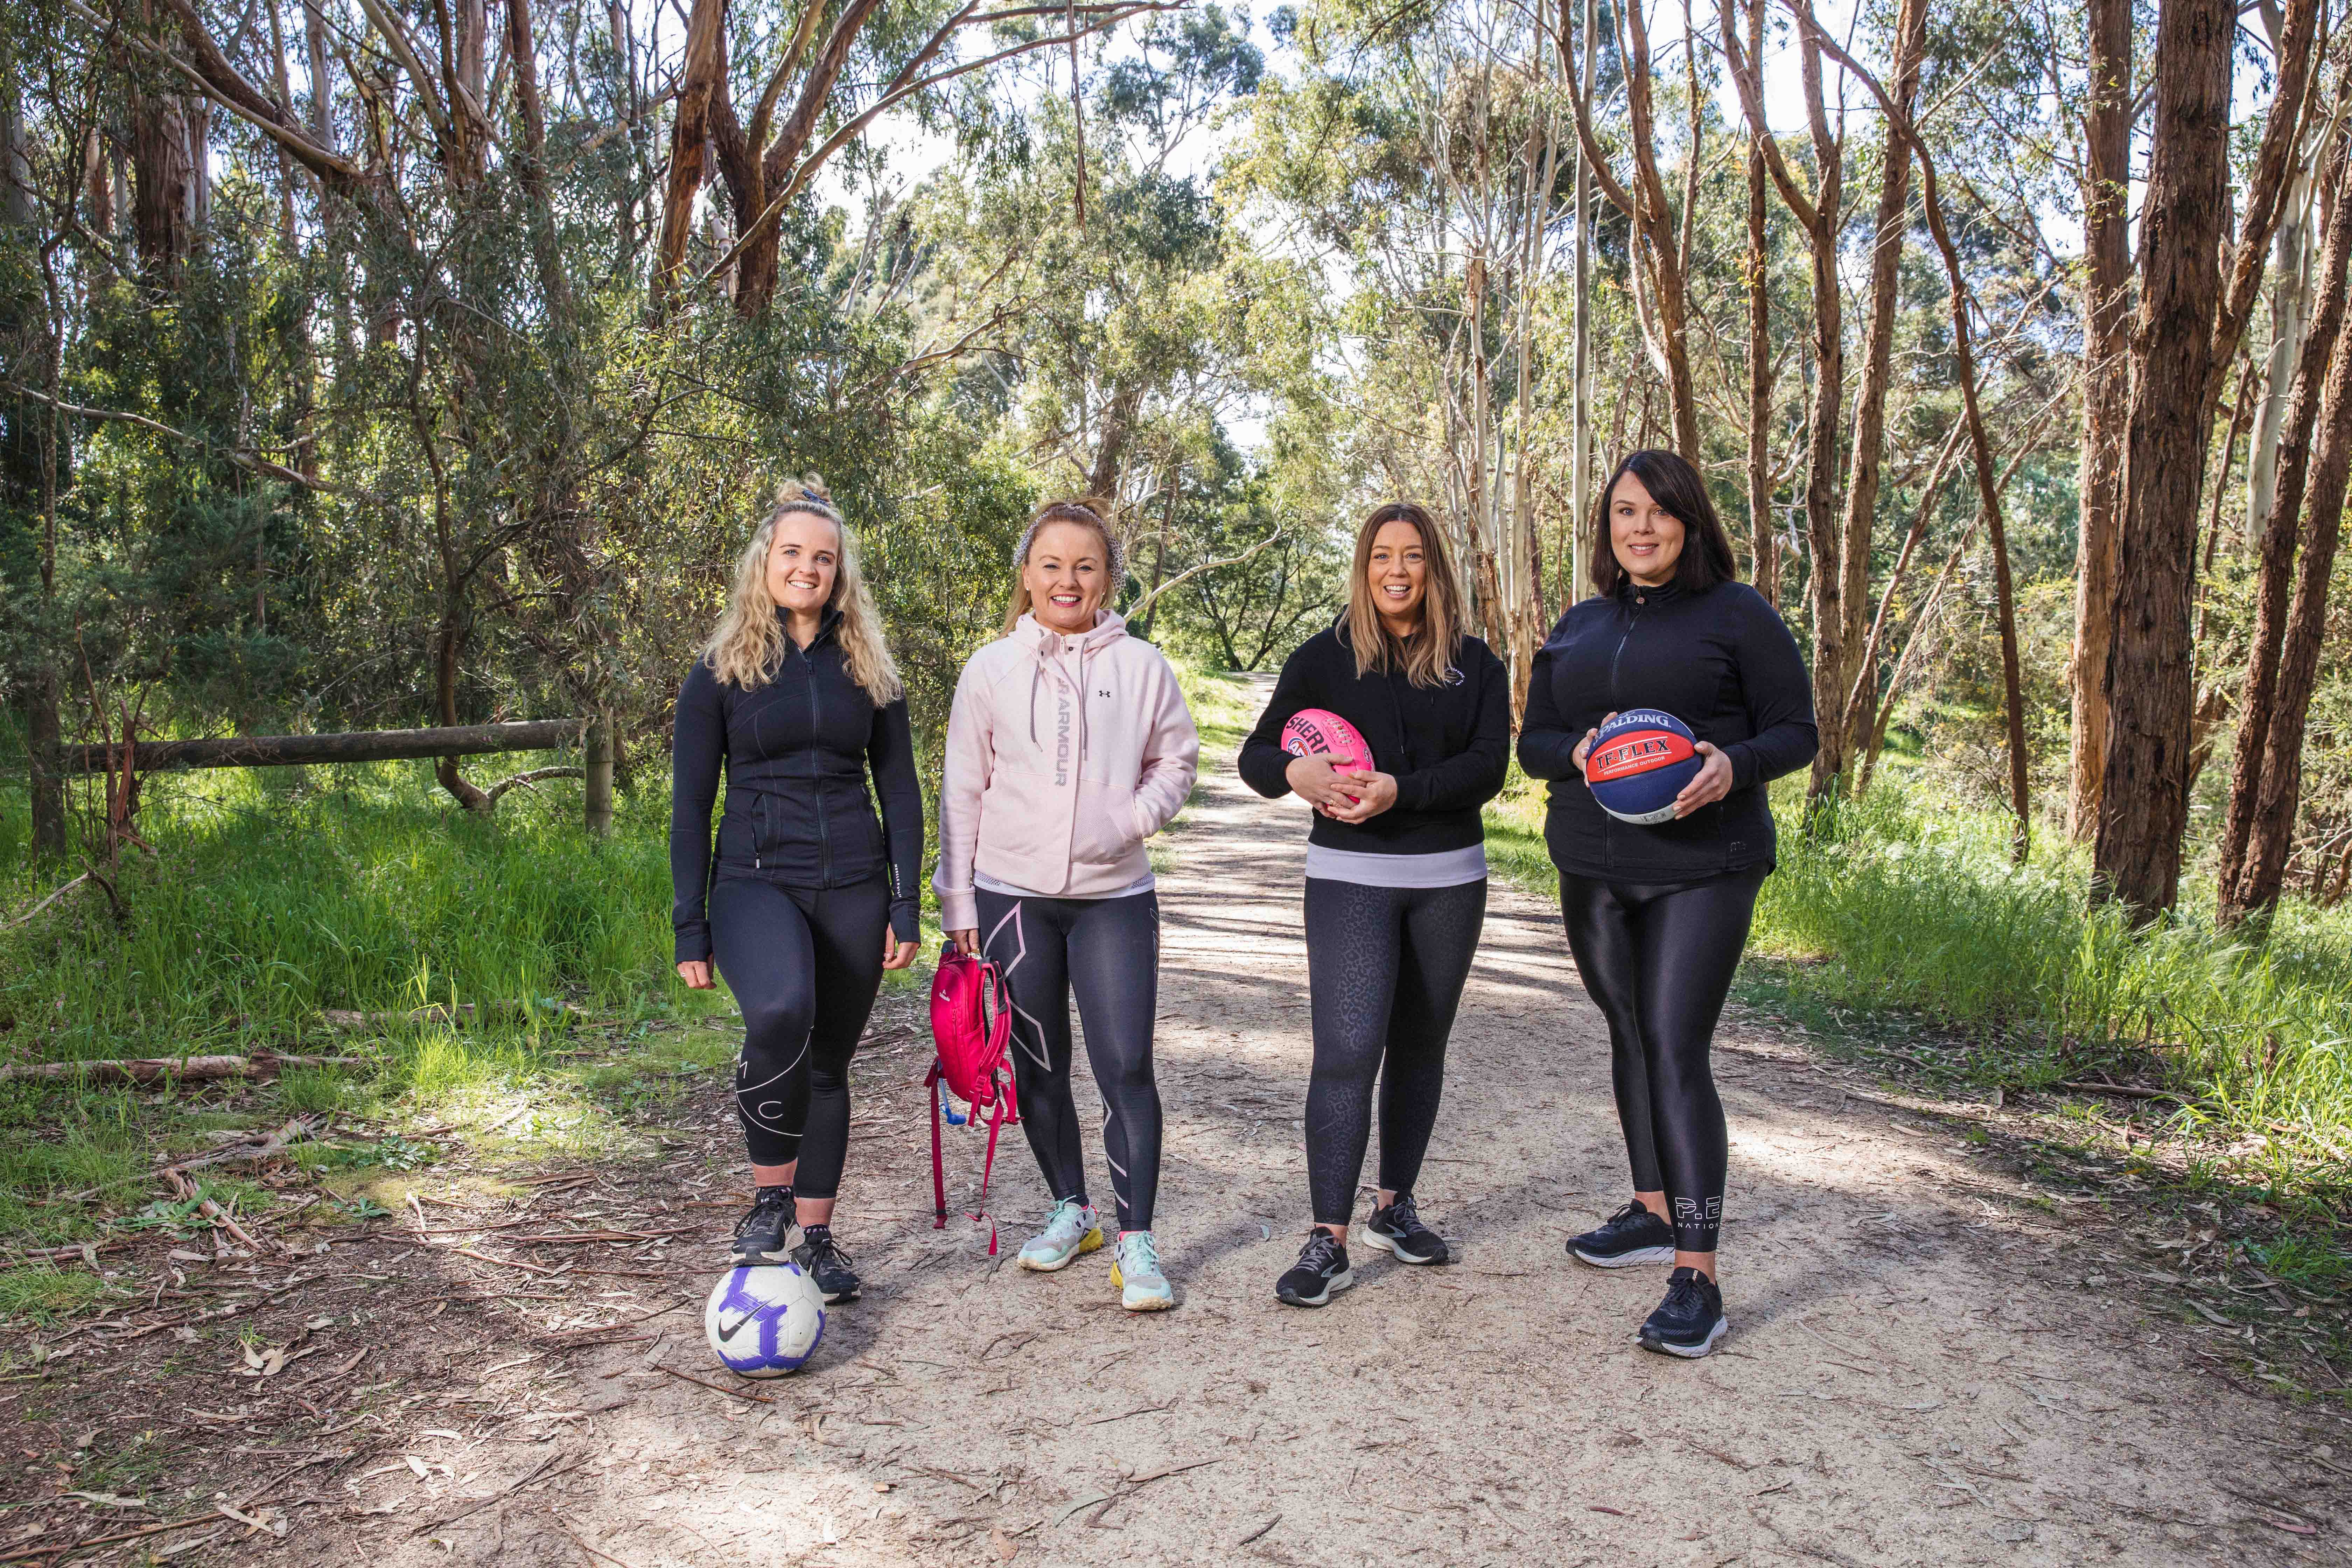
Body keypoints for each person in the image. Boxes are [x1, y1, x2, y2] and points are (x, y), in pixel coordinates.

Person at [1518, 448, 1816, 1357]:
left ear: (1690, 521)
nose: (1638, 527)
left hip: (1705, 862)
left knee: (1677, 1047)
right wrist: (1575, 753)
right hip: (1592, 863)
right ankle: (1649, 1210)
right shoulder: (1579, 623)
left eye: (1656, 512)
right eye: (1623, 513)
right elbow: (1533, 743)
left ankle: (1698, 1275)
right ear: (1607, 529)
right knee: (1630, 1034)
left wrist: (1736, 765)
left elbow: (1796, 730)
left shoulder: (1738, 614)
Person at [1238, 502, 1509, 1308]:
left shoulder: (1475, 663)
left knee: (1420, 1046)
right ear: (1363, 566)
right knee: (1349, 1050)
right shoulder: (1322, 659)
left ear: (1435, 568)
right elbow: (1258, 755)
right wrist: (1298, 774)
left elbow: (1489, 768)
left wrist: (1404, 790)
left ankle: (1396, 1205)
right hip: (1350, 877)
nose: (1398, 570)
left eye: (1414, 556)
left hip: (1449, 878)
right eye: (1383, 555)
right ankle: (1328, 1237)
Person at [934, 498, 1200, 1312]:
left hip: (1114, 896)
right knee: (1040, 1068)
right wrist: (957, 903)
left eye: (1085, 565)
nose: (1067, 579)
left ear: (1108, 578)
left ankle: (1136, 1242)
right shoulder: (990, 669)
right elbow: (961, 789)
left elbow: (1177, 762)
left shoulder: (1144, 667)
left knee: (1126, 1068)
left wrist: (1127, 821)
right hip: (1012, 898)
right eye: (1051, 564)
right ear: (1026, 575)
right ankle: (1071, 1209)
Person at [670, 477, 924, 1304]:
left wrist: (903, 901)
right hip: (753, 879)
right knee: (779, 1012)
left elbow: (903, 790)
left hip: (851, 881)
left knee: (829, 1065)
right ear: (764, 563)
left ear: (840, 570)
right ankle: (768, 1196)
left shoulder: (871, 671)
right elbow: (689, 806)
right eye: (792, 554)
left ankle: (816, 1236)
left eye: (823, 556)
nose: (807, 568)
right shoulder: (718, 673)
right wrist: (690, 925)